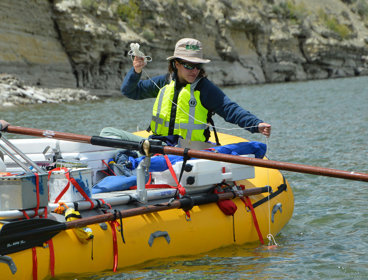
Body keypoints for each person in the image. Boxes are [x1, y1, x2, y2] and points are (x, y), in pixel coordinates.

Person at [101, 38, 271, 147]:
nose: (194, 70)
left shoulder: (205, 88)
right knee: (107, 132)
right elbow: (130, 91)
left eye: (198, 66)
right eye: (189, 65)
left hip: (189, 151)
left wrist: (256, 124)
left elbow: (230, 109)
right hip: (158, 145)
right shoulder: (163, 82)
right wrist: (136, 70)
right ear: (176, 64)